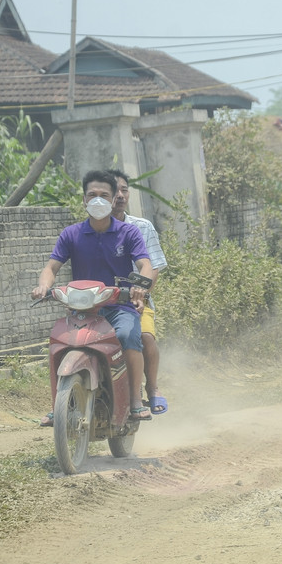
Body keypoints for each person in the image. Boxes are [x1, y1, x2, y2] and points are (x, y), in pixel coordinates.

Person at [31, 170, 155, 424]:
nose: (97, 200)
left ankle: (134, 399)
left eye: (104, 195)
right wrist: (43, 286)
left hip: (119, 306)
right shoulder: (71, 234)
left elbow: (145, 265)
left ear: (113, 199)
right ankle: (59, 404)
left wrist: (142, 286)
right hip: (82, 309)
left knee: (127, 336)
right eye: (92, 195)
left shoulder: (128, 233)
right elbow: (51, 268)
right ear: (84, 200)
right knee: (59, 341)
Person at [107, 169, 169, 415]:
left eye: (124, 190)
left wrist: (142, 292)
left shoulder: (142, 227)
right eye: (115, 191)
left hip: (134, 301)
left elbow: (153, 267)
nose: (120, 195)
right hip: (101, 301)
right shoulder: (88, 230)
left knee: (145, 337)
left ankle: (152, 388)